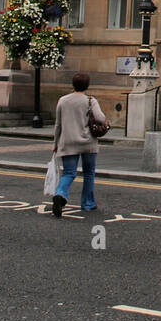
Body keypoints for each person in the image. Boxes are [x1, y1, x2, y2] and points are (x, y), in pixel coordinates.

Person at [52, 72, 103, 216]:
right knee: (88, 173)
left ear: (73, 85)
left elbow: (58, 125)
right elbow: (100, 118)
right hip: (88, 142)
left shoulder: (62, 100)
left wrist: (55, 143)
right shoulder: (90, 101)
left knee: (69, 173)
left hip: (67, 141)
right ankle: (87, 203)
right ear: (87, 86)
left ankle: (60, 194)